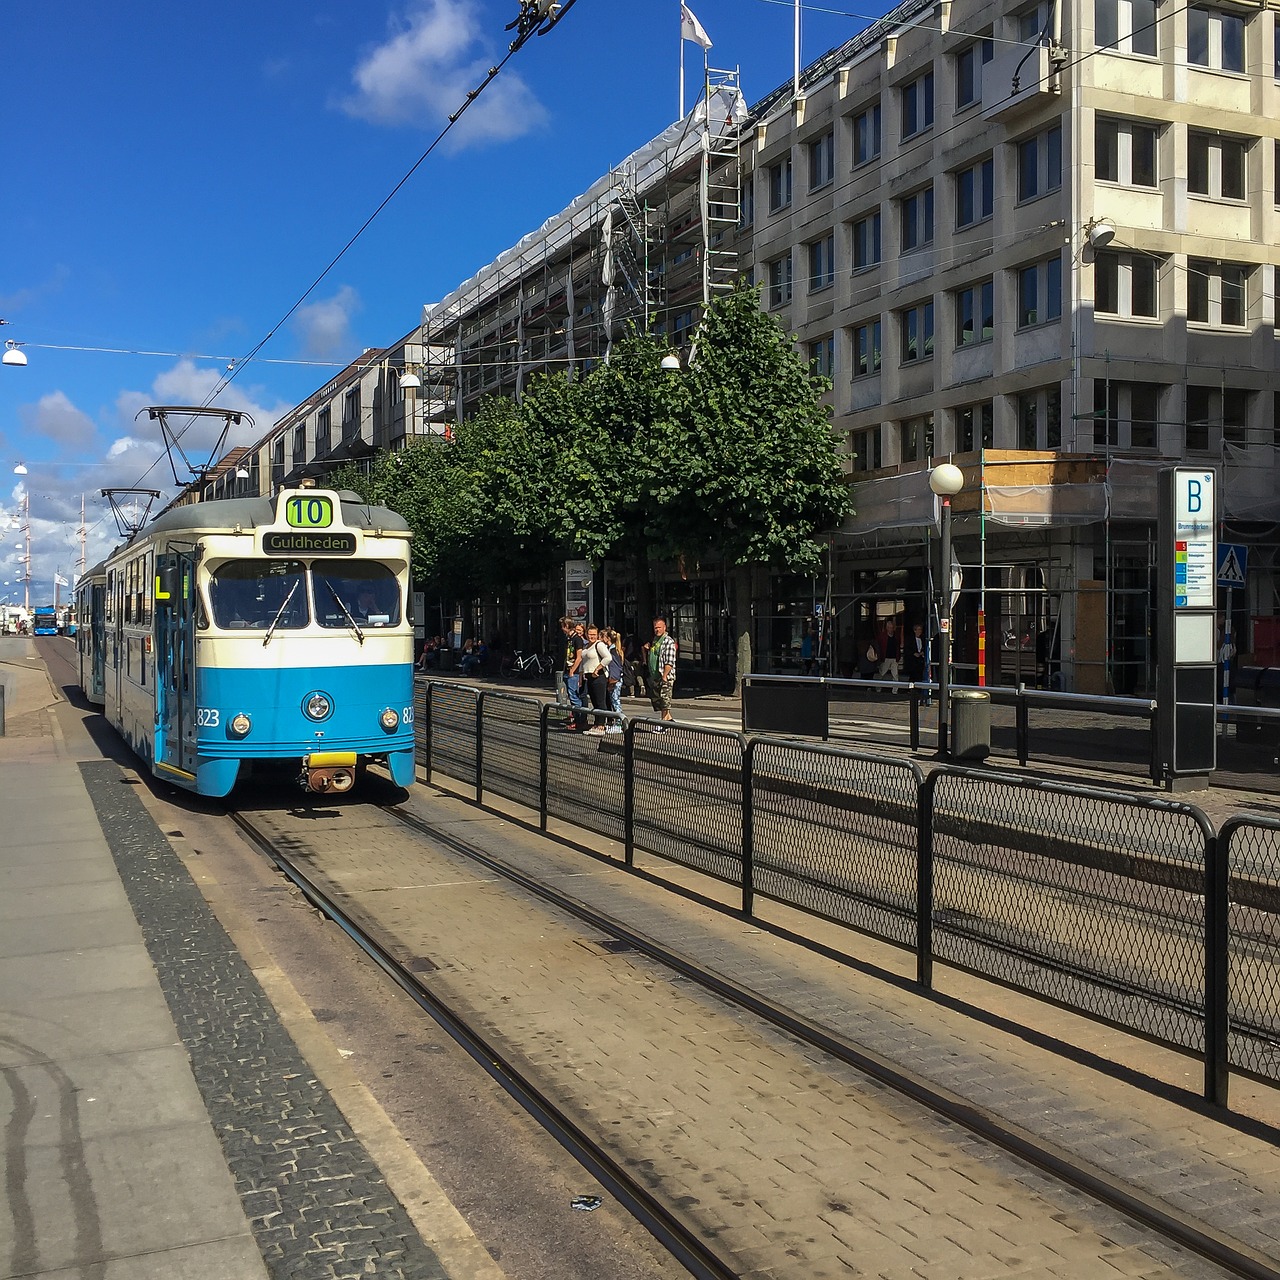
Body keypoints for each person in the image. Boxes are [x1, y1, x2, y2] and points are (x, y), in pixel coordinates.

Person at [643, 616, 677, 727]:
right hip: (656, 676)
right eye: (655, 627)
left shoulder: (668, 641)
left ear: (664, 627)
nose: (657, 630)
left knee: (664, 700)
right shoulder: (655, 640)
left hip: (665, 676)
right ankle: (669, 719)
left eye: (659, 627)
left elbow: (669, 661)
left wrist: (665, 675)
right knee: (659, 699)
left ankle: (664, 723)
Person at [579, 625, 613, 734]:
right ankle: (596, 723)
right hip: (588, 677)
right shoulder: (586, 646)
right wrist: (581, 676)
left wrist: (597, 669)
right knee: (594, 701)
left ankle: (601, 725)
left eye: (594, 634)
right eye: (589, 634)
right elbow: (583, 662)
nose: (591, 637)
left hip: (598, 677)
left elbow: (608, 658)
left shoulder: (599, 645)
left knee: (600, 701)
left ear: (597, 635)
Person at [876, 617, 901, 691]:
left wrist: (898, 657)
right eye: (889, 627)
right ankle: (878, 689)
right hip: (885, 658)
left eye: (892, 627)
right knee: (881, 674)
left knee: (895, 675)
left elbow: (898, 646)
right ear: (887, 628)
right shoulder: (882, 636)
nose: (891, 629)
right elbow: (879, 646)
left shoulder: (896, 636)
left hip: (894, 658)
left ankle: (895, 691)